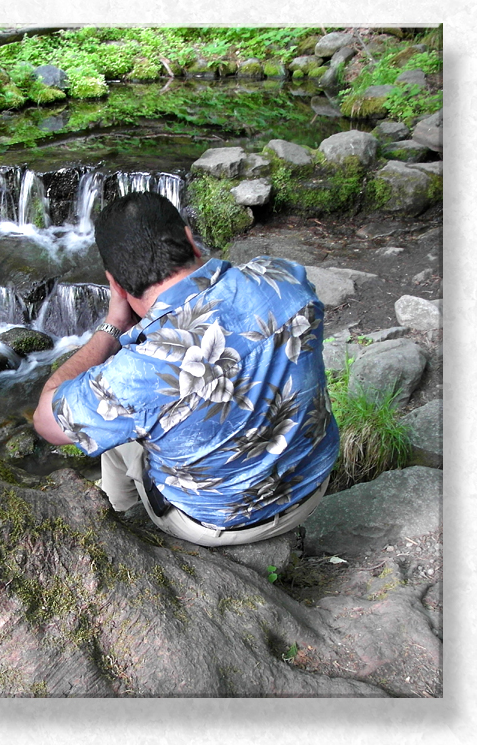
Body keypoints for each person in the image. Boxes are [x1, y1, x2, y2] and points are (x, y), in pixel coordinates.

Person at [33, 191, 339, 547]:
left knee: (112, 435)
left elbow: (45, 421)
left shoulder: (131, 376)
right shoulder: (281, 278)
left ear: (114, 283)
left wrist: (114, 325)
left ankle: (124, 530)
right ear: (193, 241)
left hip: (219, 522)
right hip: (312, 483)